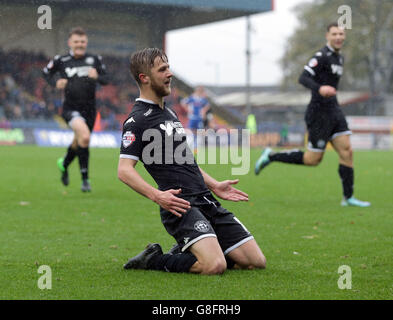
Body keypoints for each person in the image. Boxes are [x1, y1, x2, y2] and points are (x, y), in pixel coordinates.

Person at [118, 48, 266, 275]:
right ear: (144, 78)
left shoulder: (170, 113)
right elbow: (124, 170)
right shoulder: (137, 120)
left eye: (168, 68)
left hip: (205, 199)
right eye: (162, 69)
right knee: (214, 266)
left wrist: (214, 185)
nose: (170, 74)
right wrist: (158, 196)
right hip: (180, 204)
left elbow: (186, 161)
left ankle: (190, 248)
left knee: (255, 261)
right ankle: (154, 260)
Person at [255, 23, 370, 208]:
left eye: (341, 34)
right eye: (335, 34)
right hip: (319, 113)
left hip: (334, 110)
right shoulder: (321, 56)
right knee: (313, 160)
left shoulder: (338, 58)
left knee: (347, 151)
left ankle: (348, 198)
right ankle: (271, 156)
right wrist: (319, 88)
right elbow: (303, 77)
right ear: (327, 36)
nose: (338, 37)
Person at [43, 27, 109, 192]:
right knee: (85, 137)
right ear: (70, 43)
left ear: (86, 42)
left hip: (90, 110)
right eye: (76, 42)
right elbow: (45, 73)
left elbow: (107, 79)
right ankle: (85, 180)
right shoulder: (61, 60)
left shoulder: (95, 59)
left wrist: (97, 77)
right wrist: (55, 83)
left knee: (79, 141)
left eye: (82, 42)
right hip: (70, 108)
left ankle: (64, 164)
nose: (79, 44)